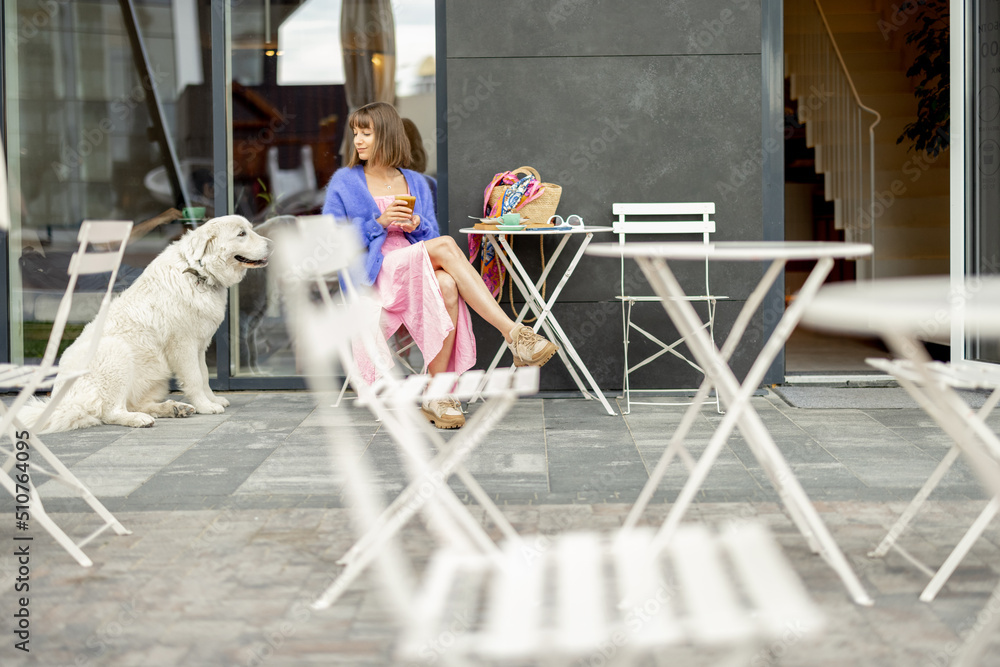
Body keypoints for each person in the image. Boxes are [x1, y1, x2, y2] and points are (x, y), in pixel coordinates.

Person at [322, 102, 557, 429]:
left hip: (411, 265)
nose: (358, 140)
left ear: (387, 135)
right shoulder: (344, 182)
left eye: (366, 133)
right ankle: (514, 333)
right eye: (356, 133)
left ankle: (439, 392)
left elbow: (429, 233)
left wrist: (416, 224)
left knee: (447, 284)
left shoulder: (416, 182)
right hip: (373, 274)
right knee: (446, 246)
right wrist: (378, 223)